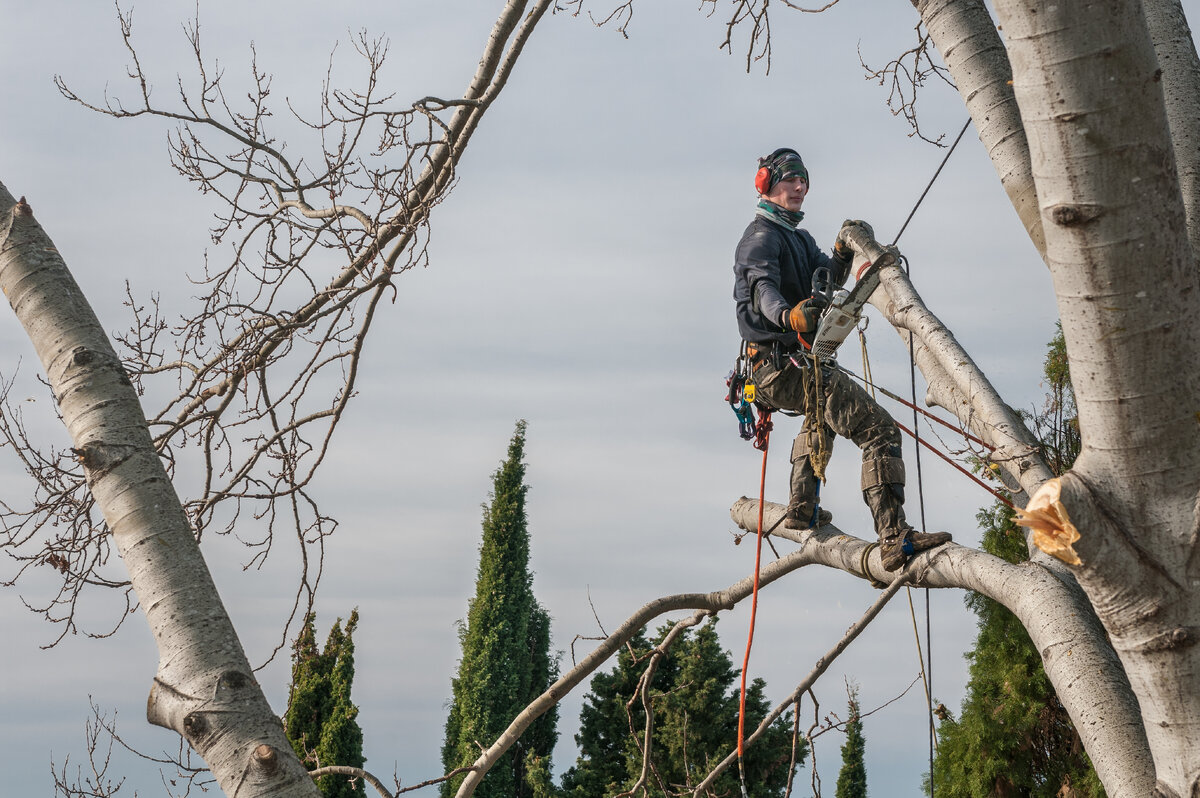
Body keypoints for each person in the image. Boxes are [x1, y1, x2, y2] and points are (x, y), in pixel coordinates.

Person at [732, 147, 951, 572]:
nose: (799, 187)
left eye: (803, 179)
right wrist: (787, 314)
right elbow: (763, 289)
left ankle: (802, 506)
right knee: (878, 429)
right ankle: (893, 537)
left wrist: (842, 250)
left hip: (794, 361)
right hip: (777, 364)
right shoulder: (760, 239)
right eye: (789, 179)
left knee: (822, 416)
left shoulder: (797, 238)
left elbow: (828, 277)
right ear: (766, 185)